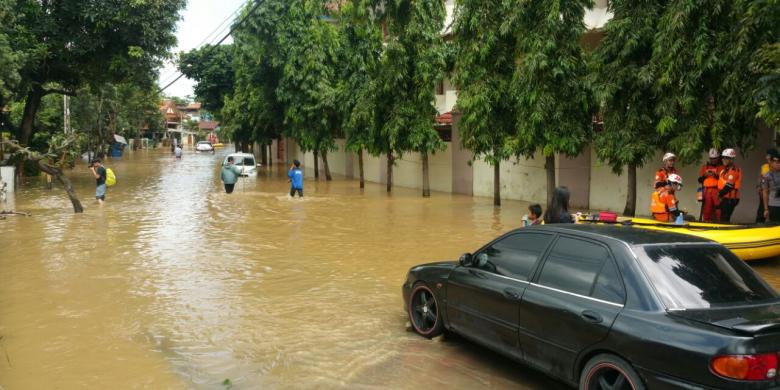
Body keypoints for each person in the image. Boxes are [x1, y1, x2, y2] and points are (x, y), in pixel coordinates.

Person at [698, 148, 722, 222]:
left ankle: (720, 222)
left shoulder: (721, 167)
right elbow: (699, 180)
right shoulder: (704, 167)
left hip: (717, 190)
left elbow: (723, 180)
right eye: (711, 158)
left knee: (718, 208)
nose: (713, 160)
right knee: (707, 208)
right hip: (706, 190)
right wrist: (705, 175)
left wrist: (715, 175)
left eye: (715, 158)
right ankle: (706, 222)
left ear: (718, 158)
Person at [718, 148, 742, 223]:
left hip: (730, 199)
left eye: (726, 158)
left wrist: (719, 194)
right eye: (723, 157)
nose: (724, 159)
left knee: (724, 219)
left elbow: (729, 186)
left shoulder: (733, 171)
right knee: (723, 218)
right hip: (726, 198)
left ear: (731, 159)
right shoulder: (725, 170)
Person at [757, 148, 778, 223]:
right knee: (760, 214)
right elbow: (760, 178)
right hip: (764, 194)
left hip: (773, 195)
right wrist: (759, 187)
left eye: (768, 155)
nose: (766, 157)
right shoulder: (764, 167)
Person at [761, 151, 780, 224]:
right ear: (771, 162)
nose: (779, 164)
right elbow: (765, 192)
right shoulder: (766, 176)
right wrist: (766, 209)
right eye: (777, 162)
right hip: (773, 205)